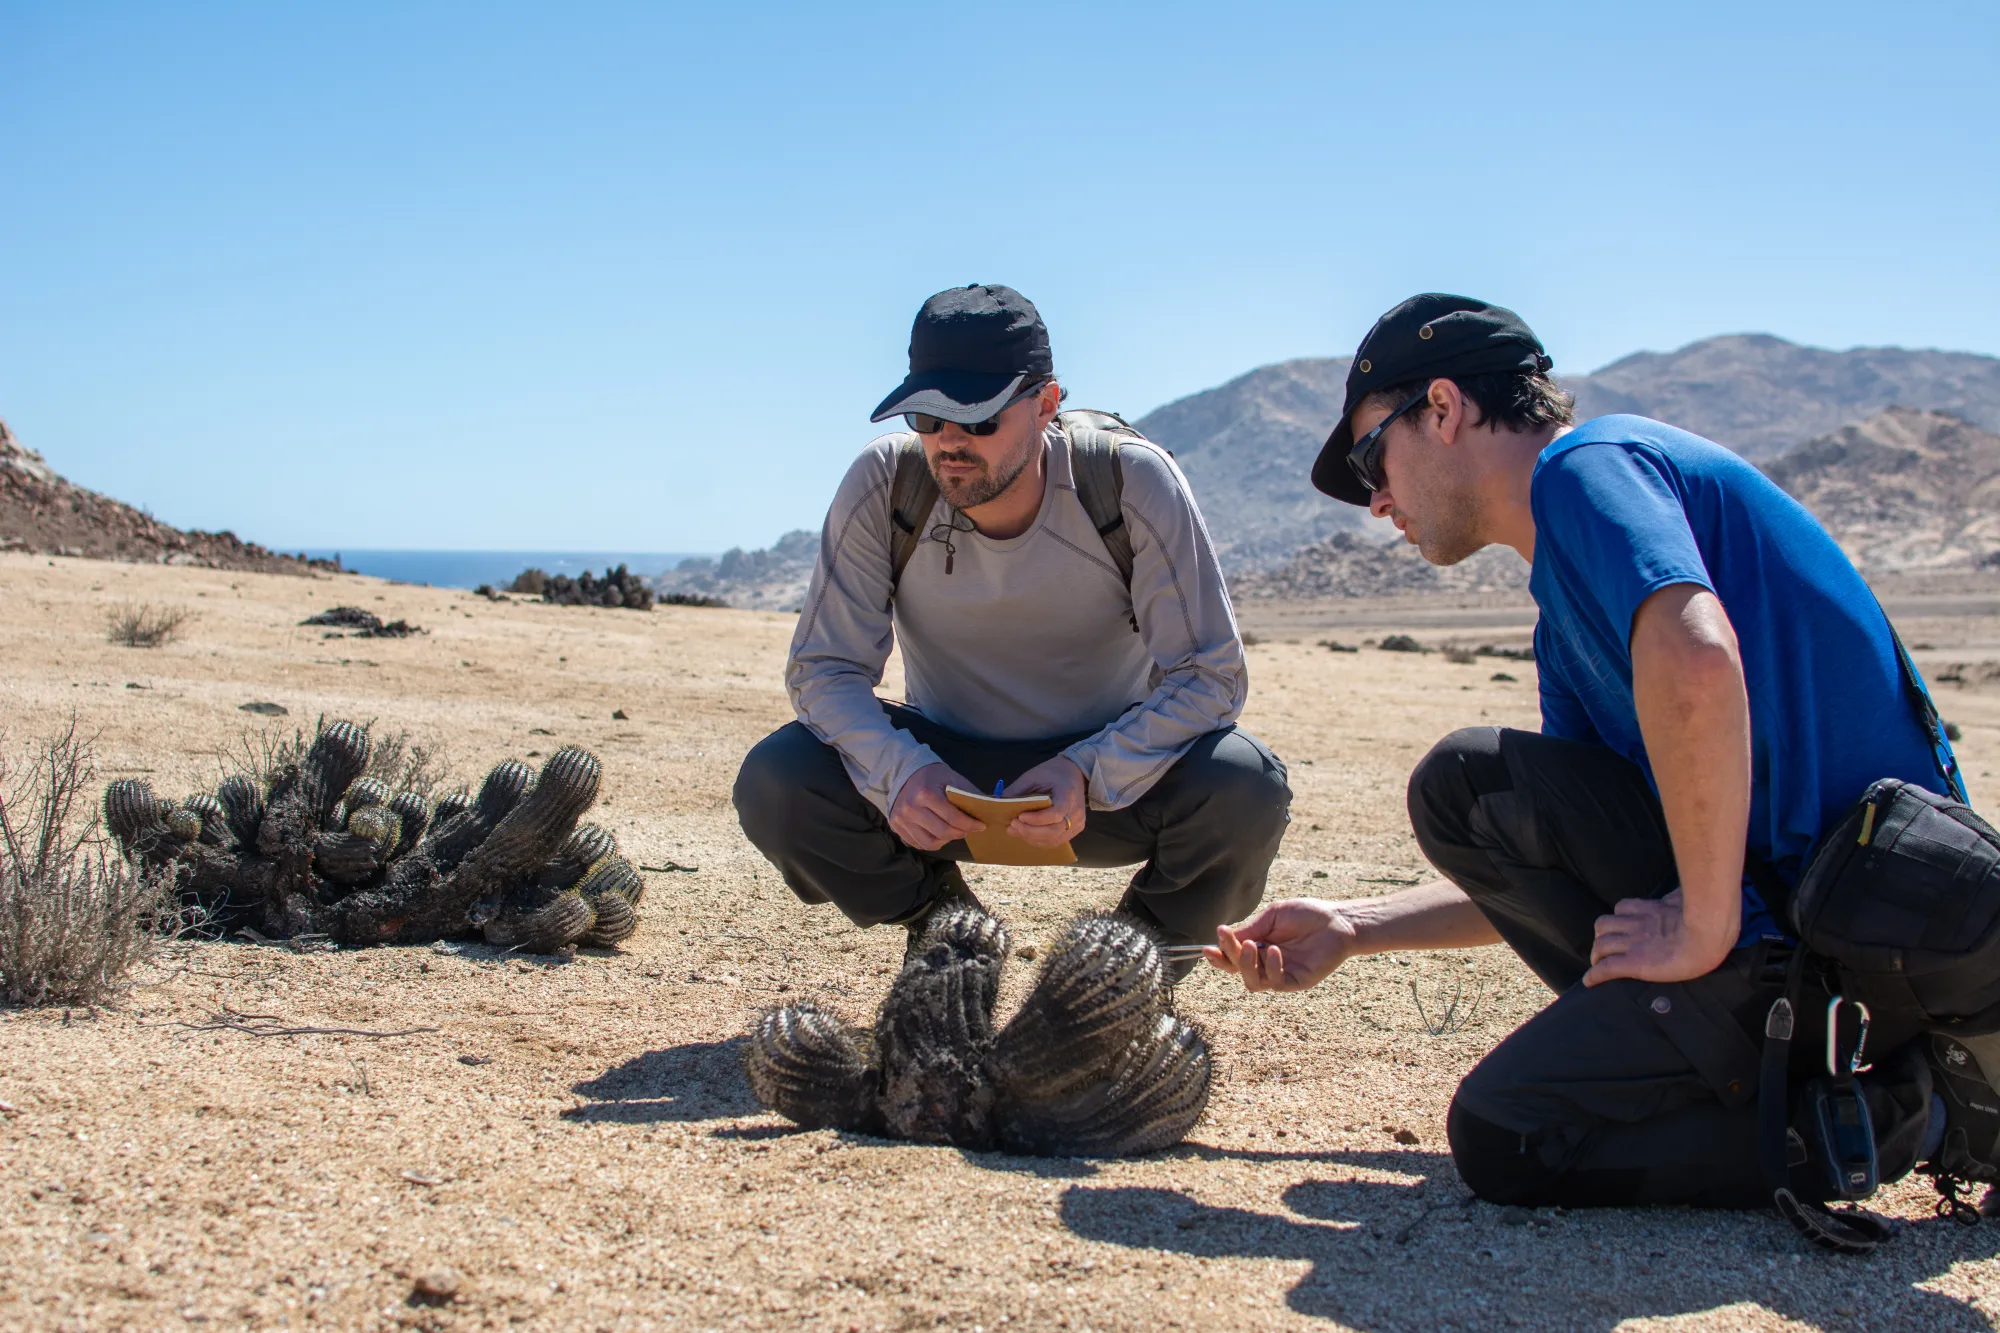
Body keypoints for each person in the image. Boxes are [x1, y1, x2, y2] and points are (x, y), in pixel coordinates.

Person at [1207, 293, 1959, 1209]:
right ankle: (1862, 1102)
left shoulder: (1586, 467)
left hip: (1874, 938)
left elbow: (1698, 654)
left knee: (1467, 804)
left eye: (1373, 456)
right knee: (1515, 1116)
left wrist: (1705, 923)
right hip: (1809, 950)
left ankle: (1924, 1111)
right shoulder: (1566, 619)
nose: (1375, 502)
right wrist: (1358, 926)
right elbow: (1555, 858)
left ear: (1443, 409)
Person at [735, 283, 1291, 963]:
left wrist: (1088, 770)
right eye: (929, 419)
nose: (950, 443)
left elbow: (1210, 675)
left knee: (1245, 785)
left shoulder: (1130, 483)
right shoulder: (887, 484)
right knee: (779, 778)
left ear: (1046, 404)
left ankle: (1121, 984)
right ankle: (952, 939)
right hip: (941, 779)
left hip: (1107, 781)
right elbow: (824, 669)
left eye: (978, 418)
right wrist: (901, 771)